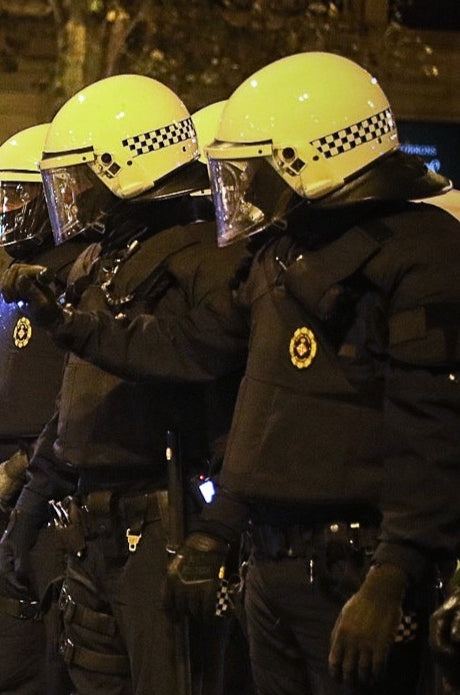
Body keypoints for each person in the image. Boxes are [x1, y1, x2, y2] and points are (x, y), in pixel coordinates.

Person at [71, 52, 460, 694]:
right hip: (273, 566)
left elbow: (434, 438)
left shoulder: (423, 256)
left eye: (256, 168)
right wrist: (215, 535)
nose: (244, 189)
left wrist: (392, 578)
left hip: (357, 576)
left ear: (310, 157)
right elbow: (252, 405)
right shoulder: (282, 256)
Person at [0, 74, 246, 694]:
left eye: (83, 175)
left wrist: (215, 537)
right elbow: (76, 404)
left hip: (165, 518)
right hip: (93, 524)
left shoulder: (205, 260)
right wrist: (31, 505)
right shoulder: (102, 258)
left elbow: (190, 355)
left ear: (128, 165)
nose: (73, 194)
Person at [0, 123, 82, 695]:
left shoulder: (80, 278)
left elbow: (78, 402)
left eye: (17, 197)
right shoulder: (9, 287)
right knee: (13, 665)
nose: (3, 212)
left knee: (63, 659)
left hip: (54, 493)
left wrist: (23, 470)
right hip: (3, 495)